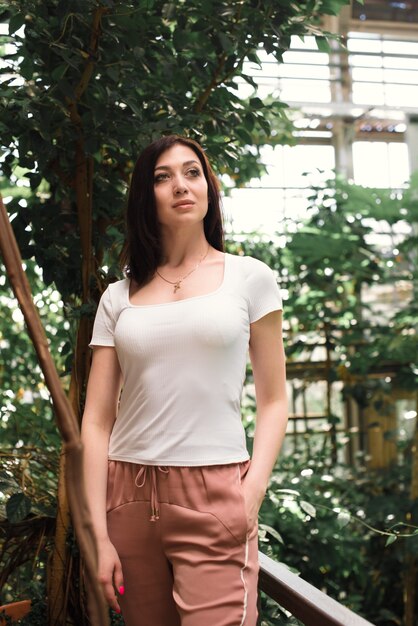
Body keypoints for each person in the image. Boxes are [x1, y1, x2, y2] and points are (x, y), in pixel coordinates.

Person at [81, 135, 288, 626]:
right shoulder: (117, 297)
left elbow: (274, 399)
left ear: (209, 188)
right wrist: (98, 534)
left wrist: (252, 490)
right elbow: (96, 422)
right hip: (127, 497)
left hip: (215, 493)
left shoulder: (250, 279)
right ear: (145, 194)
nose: (180, 185)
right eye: (163, 176)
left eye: (192, 172)